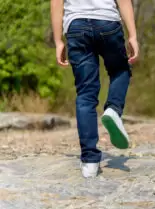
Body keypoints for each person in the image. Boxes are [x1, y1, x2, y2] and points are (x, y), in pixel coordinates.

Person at [50, 0, 139, 178]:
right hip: (108, 23)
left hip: (76, 26)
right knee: (120, 70)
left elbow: (56, 3)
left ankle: (90, 161)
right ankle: (113, 109)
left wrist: (58, 41)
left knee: (85, 93)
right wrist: (133, 36)